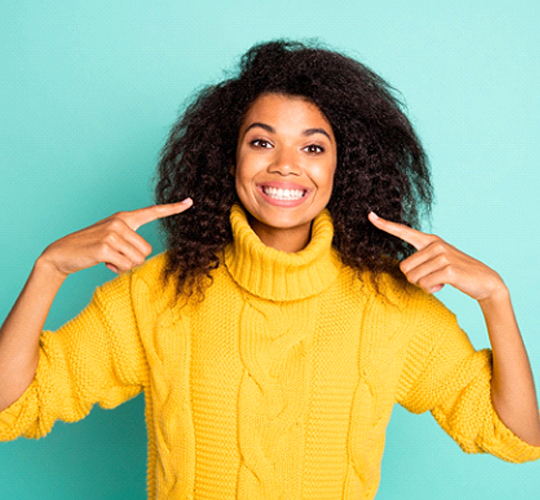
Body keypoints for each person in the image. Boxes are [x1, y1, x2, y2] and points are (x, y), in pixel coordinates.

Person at [0, 40, 539, 500]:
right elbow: (13, 405)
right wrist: (49, 269)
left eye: (313, 146)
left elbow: (517, 435)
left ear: (342, 166)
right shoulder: (156, 294)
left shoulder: (390, 306)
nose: (285, 164)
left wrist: (495, 297)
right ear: (227, 156)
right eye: (262, 141)